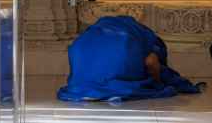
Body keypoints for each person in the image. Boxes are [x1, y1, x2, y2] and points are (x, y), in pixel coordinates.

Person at [57, 15, 202, 102]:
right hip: (117, 59)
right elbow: (151, 62)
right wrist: (157, 83)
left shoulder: (100, 30)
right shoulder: (143, 38)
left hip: (79, 83)